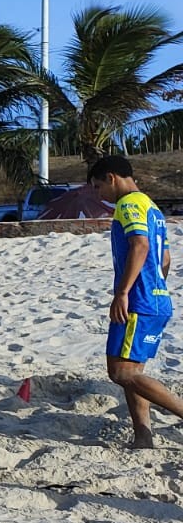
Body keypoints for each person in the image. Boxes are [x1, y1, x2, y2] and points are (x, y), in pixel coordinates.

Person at [88, 156, 183, 449]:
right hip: (155, 299)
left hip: (139, 302)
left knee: (121, 373)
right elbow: (164, 259)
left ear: (112, 177)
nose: (98, 193)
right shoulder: (152, 208)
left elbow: (140, 245)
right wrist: (153, 288)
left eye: (98, 186)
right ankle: (143, 436)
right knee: (132, 374)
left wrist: (124, 292)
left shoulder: (128, 205)